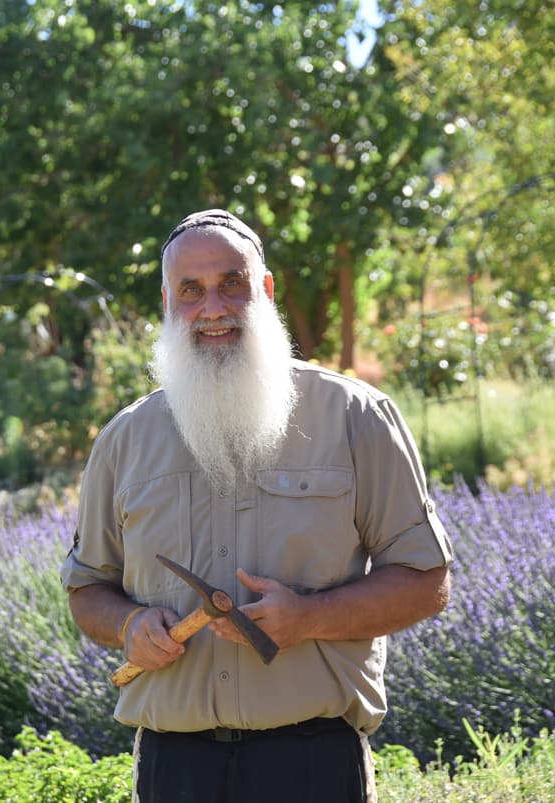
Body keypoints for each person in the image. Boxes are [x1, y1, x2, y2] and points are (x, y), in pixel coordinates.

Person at [60, 209, 453, 803]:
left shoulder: (354, 417)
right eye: (191, 290)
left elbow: (427, 583)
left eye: (231, 283)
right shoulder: (125, 439)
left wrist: (310, 618)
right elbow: (86, 591)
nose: (213, 307)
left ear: (265, 289)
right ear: (168, 301)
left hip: (312, 764)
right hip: (175, 769)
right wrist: (129, 625)